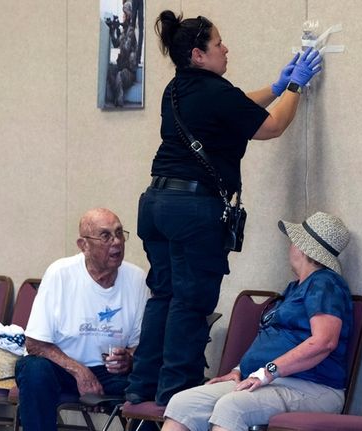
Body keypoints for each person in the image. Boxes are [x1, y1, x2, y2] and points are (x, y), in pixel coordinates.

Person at [126, 10, 324, 406]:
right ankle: (176, 398)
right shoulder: (212, 91)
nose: (225, 48)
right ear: (199, 54)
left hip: (156, 204)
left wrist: (274, 86)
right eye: (218, 44)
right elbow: (271, 126)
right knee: (191, 301)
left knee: (163, 295)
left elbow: (235, 108)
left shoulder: (177, 89)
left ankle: (141, 389)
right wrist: (295, 89)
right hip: (193, 210)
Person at [161, 212, 353, 431]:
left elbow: (324, 342)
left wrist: (267, 372)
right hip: (271, 379)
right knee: (183, 404)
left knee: (233, 407)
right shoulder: (294, 288)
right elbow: (272, 339)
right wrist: (239, 369)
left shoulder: (326, 284)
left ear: (301, 247)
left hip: (313, 386)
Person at [15, 208, 149, 431]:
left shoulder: (136, 279)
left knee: (152, 383)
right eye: (105, 236)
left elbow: (140, 347)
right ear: (83, 245)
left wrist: (130, 358)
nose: (116, 242)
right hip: (63, 369)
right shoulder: (60, 274)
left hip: (109, 374)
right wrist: (79, 371)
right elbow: (34, 344)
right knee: (33, 369)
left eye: (119, 233)